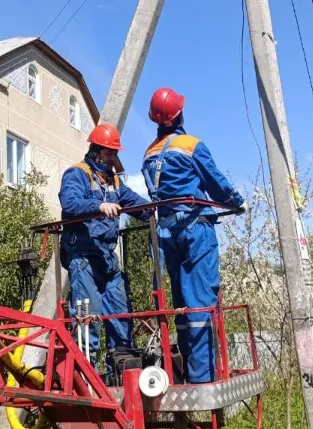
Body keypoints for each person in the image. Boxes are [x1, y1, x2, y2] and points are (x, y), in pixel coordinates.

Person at [141, 88, 244, 384]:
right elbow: (216, 183)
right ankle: (203, 377)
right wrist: (236, 201)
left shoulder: (149, 153)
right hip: (194, 229)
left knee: (182, 304)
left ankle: (185, 371)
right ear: (179, 114)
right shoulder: (191, 145)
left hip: (164, 233)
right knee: (200, 302)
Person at [58, 123, 150, 367]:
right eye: (109, 153)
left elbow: (136, 204)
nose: (113, 159)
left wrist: (158, 211)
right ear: (96, 150)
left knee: (120, 317)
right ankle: (86, 379)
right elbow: (70, 203)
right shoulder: (77, 174)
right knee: (89, 319)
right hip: (84, 258)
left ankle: (121, 373)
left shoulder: (114, 182)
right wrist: (98, 207)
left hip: (107, 260)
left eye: (115, 153)